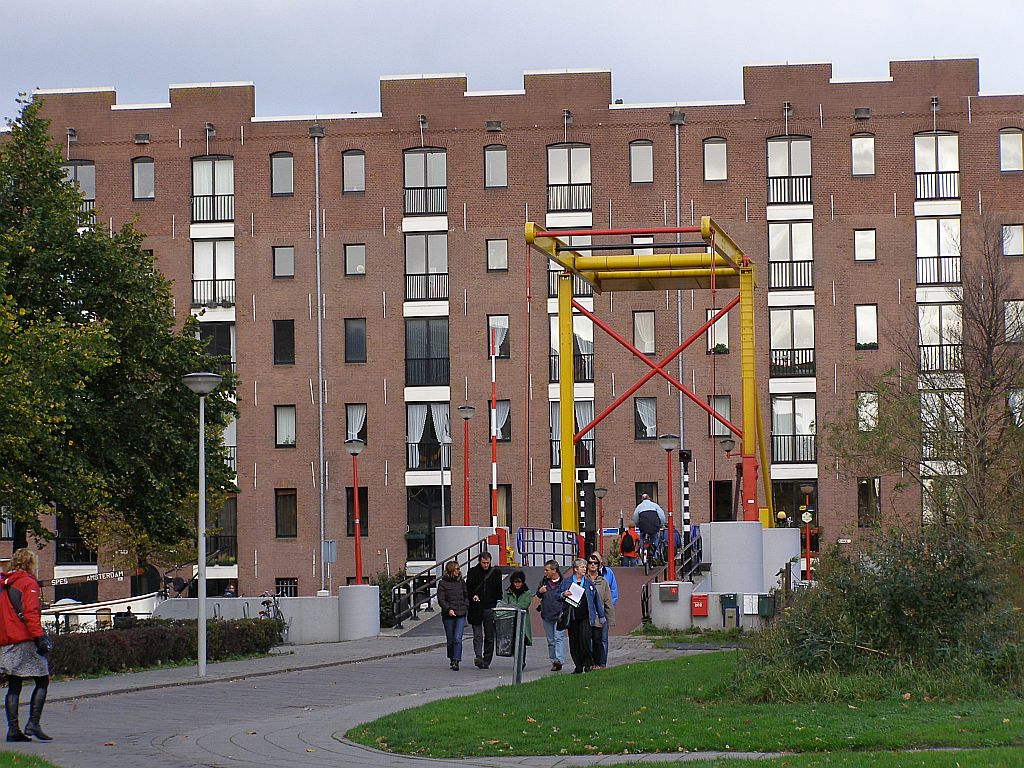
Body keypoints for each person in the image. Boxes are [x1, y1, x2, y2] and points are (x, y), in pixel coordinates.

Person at [0, 549, 51, 742]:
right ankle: (33, 723)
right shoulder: (28, 583)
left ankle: (13, 730)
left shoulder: (3, 584)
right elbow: (30, 613)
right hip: (23, 639)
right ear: (30, 564)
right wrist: (39, 637)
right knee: (42, 679)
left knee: (14, 684)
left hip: (6, 641)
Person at [556, 558, 605, 674]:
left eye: (585, 567)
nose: (585, 569)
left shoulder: (588, 583)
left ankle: (588, 664)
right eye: (582, 567)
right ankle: (578, 666)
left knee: (585, 639)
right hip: (572, 617)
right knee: (574, 642)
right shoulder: (567, 582)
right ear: (575, 569)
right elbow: (557, 596)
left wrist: (601, 616)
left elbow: (596, 599)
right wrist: (564, 594)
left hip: (585, 616)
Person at [465, 551, 502, 669]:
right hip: (476, 607)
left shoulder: (496, 573)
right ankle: (478, 656)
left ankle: (486, 659)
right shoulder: (472, 572)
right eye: (483, 563)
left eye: (487, 563)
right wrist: (472, 596)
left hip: (489, 606)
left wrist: (497, 604)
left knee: (489, 635)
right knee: (477, 634)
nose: (486, 565)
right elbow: (468, 588)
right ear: (480, 561)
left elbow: (498, 591)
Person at [436, 561, 469, 671]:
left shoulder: (461, 582)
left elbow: (466, 595)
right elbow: (441, 599)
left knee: (457, 638)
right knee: (450, 639)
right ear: (451, 570)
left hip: (460, 613)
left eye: (458, 569)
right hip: (448, 615)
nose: (458, 571)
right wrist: (448, 609)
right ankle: (451, 657)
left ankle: (456, 660)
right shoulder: (442, 583)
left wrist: (465, 605)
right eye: (456, 569)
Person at [535, 560, 566, 671]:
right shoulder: (543, 581)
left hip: (559, 614)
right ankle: (553, 661)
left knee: (558, 637)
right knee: (550, 640)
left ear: (554, 570)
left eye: (547, 570)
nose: (545, 572)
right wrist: (540, 591)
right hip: (546, 614)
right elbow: (538, 595)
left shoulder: (563, 582)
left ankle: (559, 660)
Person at [586, 554, 615, 669]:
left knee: (602, 640)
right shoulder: (584, 580)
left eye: (595, 563)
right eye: (590, 563)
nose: (592, 565)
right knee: (589, 641)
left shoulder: (603, 582)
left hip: (600, 616)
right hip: (587, 616)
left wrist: (610, 619)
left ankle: (602, 663)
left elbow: (608, 601)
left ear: (599, 565)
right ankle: (591, 662)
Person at [501, 570, 533, 669]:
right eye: (515, 582)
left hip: (522, 621)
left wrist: (512, 606)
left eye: (519, 582)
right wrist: (513, 607)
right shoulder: (508, 592)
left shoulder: (527, 592)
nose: (517, 584)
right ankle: (517, 660)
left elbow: (524, 605)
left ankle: (521, 661)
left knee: (522, 642)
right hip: (511, 621)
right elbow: (504, 604)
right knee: (513, 642)